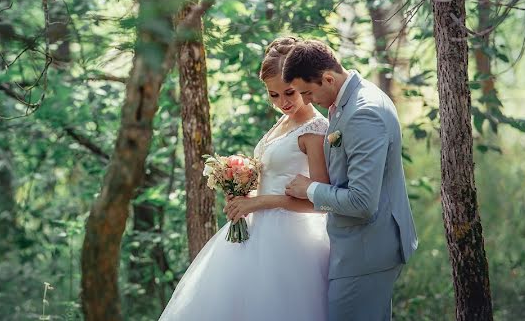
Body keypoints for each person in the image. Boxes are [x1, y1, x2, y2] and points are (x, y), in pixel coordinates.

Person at [159, 37, 331, 320]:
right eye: (273, 95)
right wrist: (244, 196)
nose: (283, 103)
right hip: (256, 231)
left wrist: (261, 202)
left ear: (301, 83)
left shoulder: (315, 130)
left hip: (292, 242)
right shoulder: (282, 123)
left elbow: (321, 202)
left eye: (289, 93)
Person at [283, 39, 418, 321]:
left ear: (328, 78)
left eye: (307, 92)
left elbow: (361, 202)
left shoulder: (363, 113)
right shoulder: (348, 100)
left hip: (366, 249)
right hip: (360, 246)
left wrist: (310, 189)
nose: (306, 101)